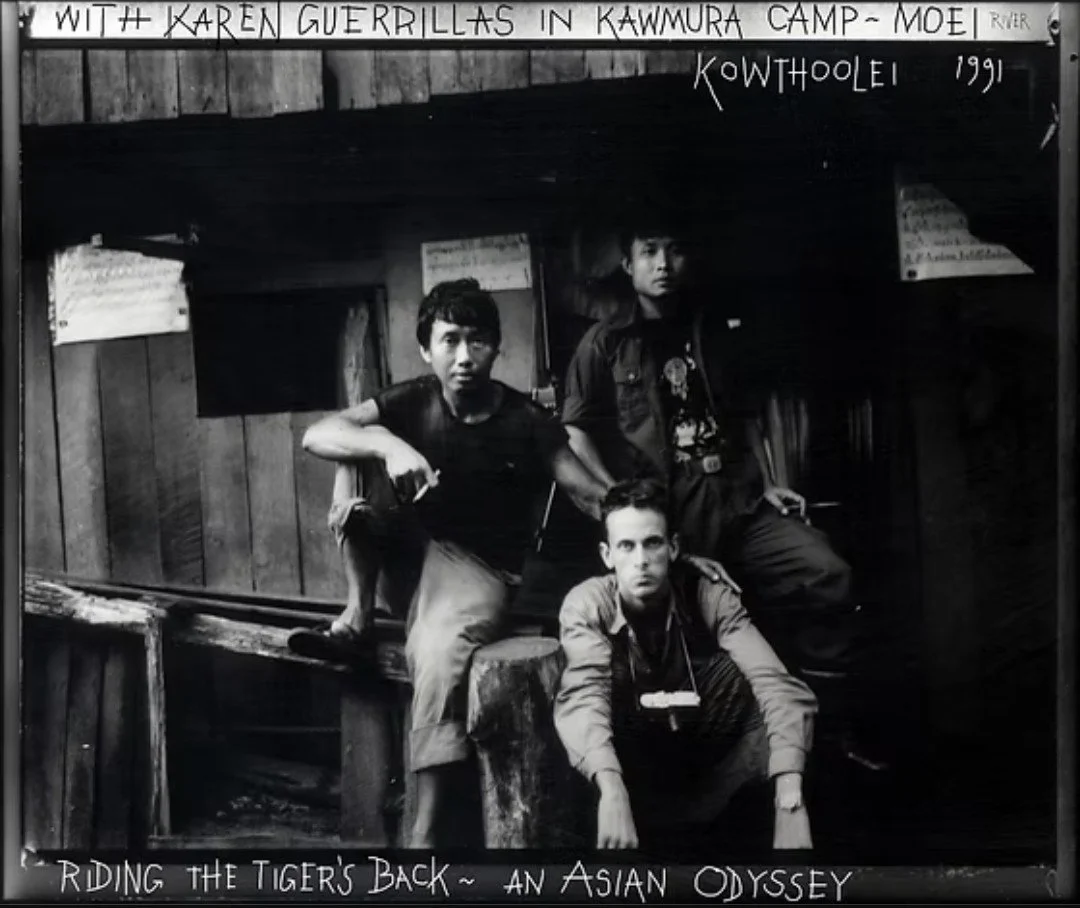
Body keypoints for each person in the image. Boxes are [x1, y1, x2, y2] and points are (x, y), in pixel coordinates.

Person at [289, 278, 727, 847]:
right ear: (427, 349)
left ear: (497, 348)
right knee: (356, 445)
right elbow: (316, 435)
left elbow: (591, 495)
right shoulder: (411, 400)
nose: (464, 357)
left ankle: (425, 831)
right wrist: (390, 445)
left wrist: (673, 549)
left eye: (477, 342)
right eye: (449, 341)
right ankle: (356, 614)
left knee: (438, 651)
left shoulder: (524, 420)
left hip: (473, 568)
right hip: (401, 556)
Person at [560, 201, 884, 768]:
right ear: (628, 265)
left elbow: (746, 417)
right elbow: (576, 435)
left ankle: (831, 728)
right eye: (649, 252)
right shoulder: (602, 344)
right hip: (667, 514)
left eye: (674, 249)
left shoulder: (716, 327)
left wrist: (771, 481)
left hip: (736, 499)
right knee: (698, 622)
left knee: (827, 575)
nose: (664, 264)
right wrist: (621, 509)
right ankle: (723, 760)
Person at [554, 479, 818, 850]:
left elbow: (775, 682)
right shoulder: (586, 604)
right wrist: (612, 791)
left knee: (755, 686)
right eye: (626, 546)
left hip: (706, 757)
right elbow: (585, 694)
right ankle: (625, 815)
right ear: (607, 555)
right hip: (631, 765)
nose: (641, 560)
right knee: (585, 699)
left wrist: (790, 800)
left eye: (653, 543)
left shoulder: (708, 594)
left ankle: (737, 821)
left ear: (674, 547)